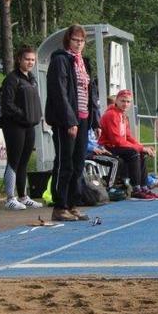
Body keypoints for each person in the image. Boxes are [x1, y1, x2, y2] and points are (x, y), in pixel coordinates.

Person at [45, 24, 100, 221]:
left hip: (84, 119)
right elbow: (59, 92)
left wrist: (96, 122)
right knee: (65, 163)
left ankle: (72, 204)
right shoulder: (60, 60)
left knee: (78, 163)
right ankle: (60, 206)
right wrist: (70, 120)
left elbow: (91, 93)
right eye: (75, 40)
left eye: (82, 41)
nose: (79, 44)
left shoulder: (83, 62)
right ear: (68, 40)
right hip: (66, 120)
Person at [0, 45, 44, 210]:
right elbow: (7, 104)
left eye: (33, 59)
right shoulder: (11, 79)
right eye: (27, 59)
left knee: (24, 161)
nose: (30, 62)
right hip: (14, 125)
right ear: (19, 59)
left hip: (29, 125)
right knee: (14, 160)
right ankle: (10, 198)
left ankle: (23, 196)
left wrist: (35, 117)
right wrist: (22, 115)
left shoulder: (31, 78)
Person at [99, 89, 158, 201]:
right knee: (133, 152)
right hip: (108, 147)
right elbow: (117, 141)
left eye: (128, 102)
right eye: (123, 101)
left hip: (117, 146)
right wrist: (141, 148)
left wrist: (143, 147)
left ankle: (144, 187)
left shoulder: (123, 115)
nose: (125, 104)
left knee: (141, 153)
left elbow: (128, 137)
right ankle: (136, 189)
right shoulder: (111, 115)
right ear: (116, 101)